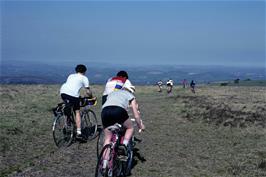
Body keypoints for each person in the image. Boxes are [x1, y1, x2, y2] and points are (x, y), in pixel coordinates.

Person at [101, 84, 145, 168]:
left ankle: (104, 164)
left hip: (104, 111)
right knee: (130, 128)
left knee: (107, 139)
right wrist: (140, 126)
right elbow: (136, 115)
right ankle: (123, 145)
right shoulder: (130, 95)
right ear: (131, 91)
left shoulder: (112, 93)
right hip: (118, 110)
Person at [60, 64, 93, 141]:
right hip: (73, 95)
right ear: (84, 71)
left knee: (69, 106)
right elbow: (88, 91)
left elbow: (71, 86)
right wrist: (91, 97)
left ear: (76, 70)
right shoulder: (84, 78)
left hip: (63, 92)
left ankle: (68, 122)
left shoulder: (71, 76)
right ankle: (79, 132)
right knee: (77, 111)